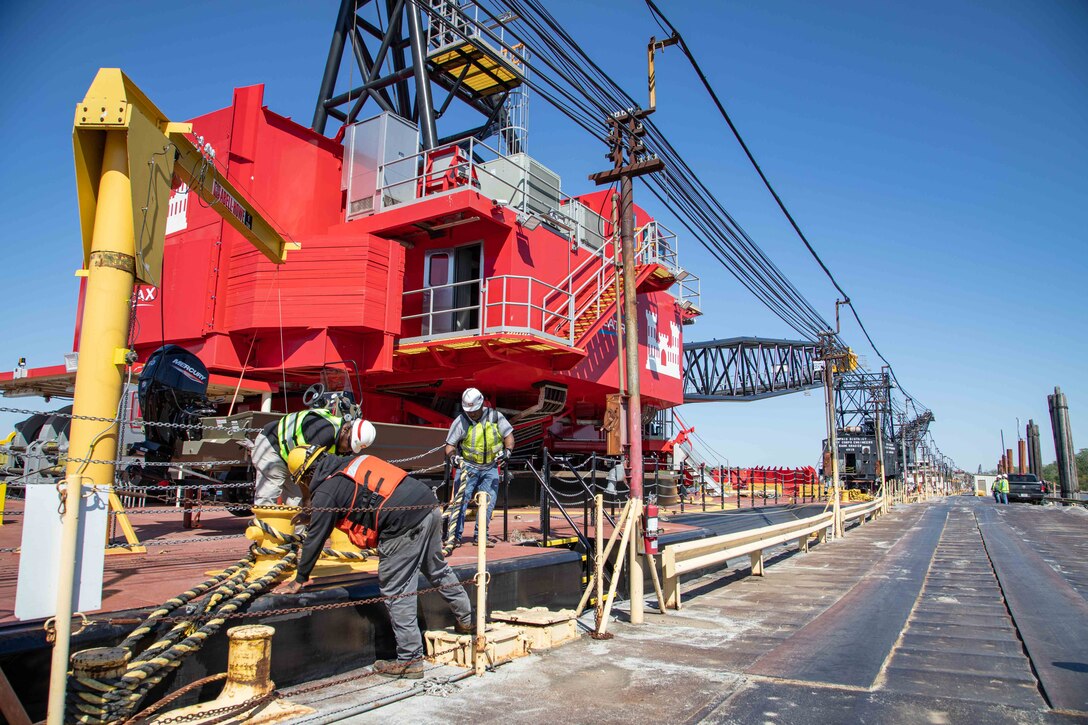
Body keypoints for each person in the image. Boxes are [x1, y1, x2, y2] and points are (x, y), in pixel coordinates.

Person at [274, 439, 474, 680]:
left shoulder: (326, 491)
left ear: (306, 475)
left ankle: (410, 660)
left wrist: (299, 579)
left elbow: (315, 538)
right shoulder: (348, 463)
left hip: (401, 523)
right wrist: (313, 514)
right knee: (437, 569)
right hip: (427, 505)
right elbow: (349, 495)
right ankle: (467, 618)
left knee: (397, 590)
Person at [251, 410, 373, 506]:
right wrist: (307, 498)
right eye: (349, 444)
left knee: (296, 502)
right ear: (345, 430)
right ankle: (264, 533)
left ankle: (297, 537)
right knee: (269, 493)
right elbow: (304, 471)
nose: (348, 450)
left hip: (291, 458)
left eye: (352, 448)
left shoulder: (343, 442)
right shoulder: (324, 432)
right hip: (273, 446)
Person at [444, 388, 514, 548]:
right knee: (459, 503)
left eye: (474, 411)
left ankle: (480, 537)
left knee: (488, 504)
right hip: (467, 468)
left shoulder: (495, 417)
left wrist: (507, 452)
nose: (472, 414)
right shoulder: (461, 421)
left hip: (490, 468)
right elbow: (449, 445)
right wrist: (453, 457)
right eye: (469, 411)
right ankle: (454, 537)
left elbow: (509, 436)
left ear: (481, 404)